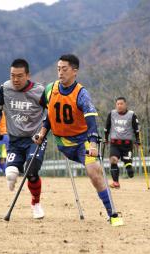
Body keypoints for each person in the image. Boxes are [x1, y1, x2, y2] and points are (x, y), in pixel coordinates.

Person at [34, 54, 123, 226]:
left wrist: (94, 144)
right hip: (62, 143)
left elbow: (91, 121)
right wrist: (42, 132)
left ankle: (112, 214)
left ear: (75, 71)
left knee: (94, 172)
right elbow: (49, 114)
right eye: (58, 69)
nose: (60, 72)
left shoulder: (81, 94)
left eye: (64, 69)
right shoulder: (49, 90)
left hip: (83, 143)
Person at [0, 58, 47, 219]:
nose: (15, 79)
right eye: (12, 75)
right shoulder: (5, 88)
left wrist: (44, 131)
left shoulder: (40, 91)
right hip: (14, 140)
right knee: (11, 174)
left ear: (27, 75)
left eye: (19, 76)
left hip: (35, 139)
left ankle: (36, 203)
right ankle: (12, 176)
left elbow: (50, 113)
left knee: (31, 170)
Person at [104, 97, 140, 189]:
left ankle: (129, 168)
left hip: (127, 144)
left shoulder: (131, 115)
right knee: (113, 160)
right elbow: (107, 126)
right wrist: (106, 138)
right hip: (114, 143)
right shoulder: (112, 114)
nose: (119, 106)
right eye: (118, 104)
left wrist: (137, 140)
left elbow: (136, 129)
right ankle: (116, 182)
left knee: (128, 166)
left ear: (125, 104)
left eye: (121, 104)